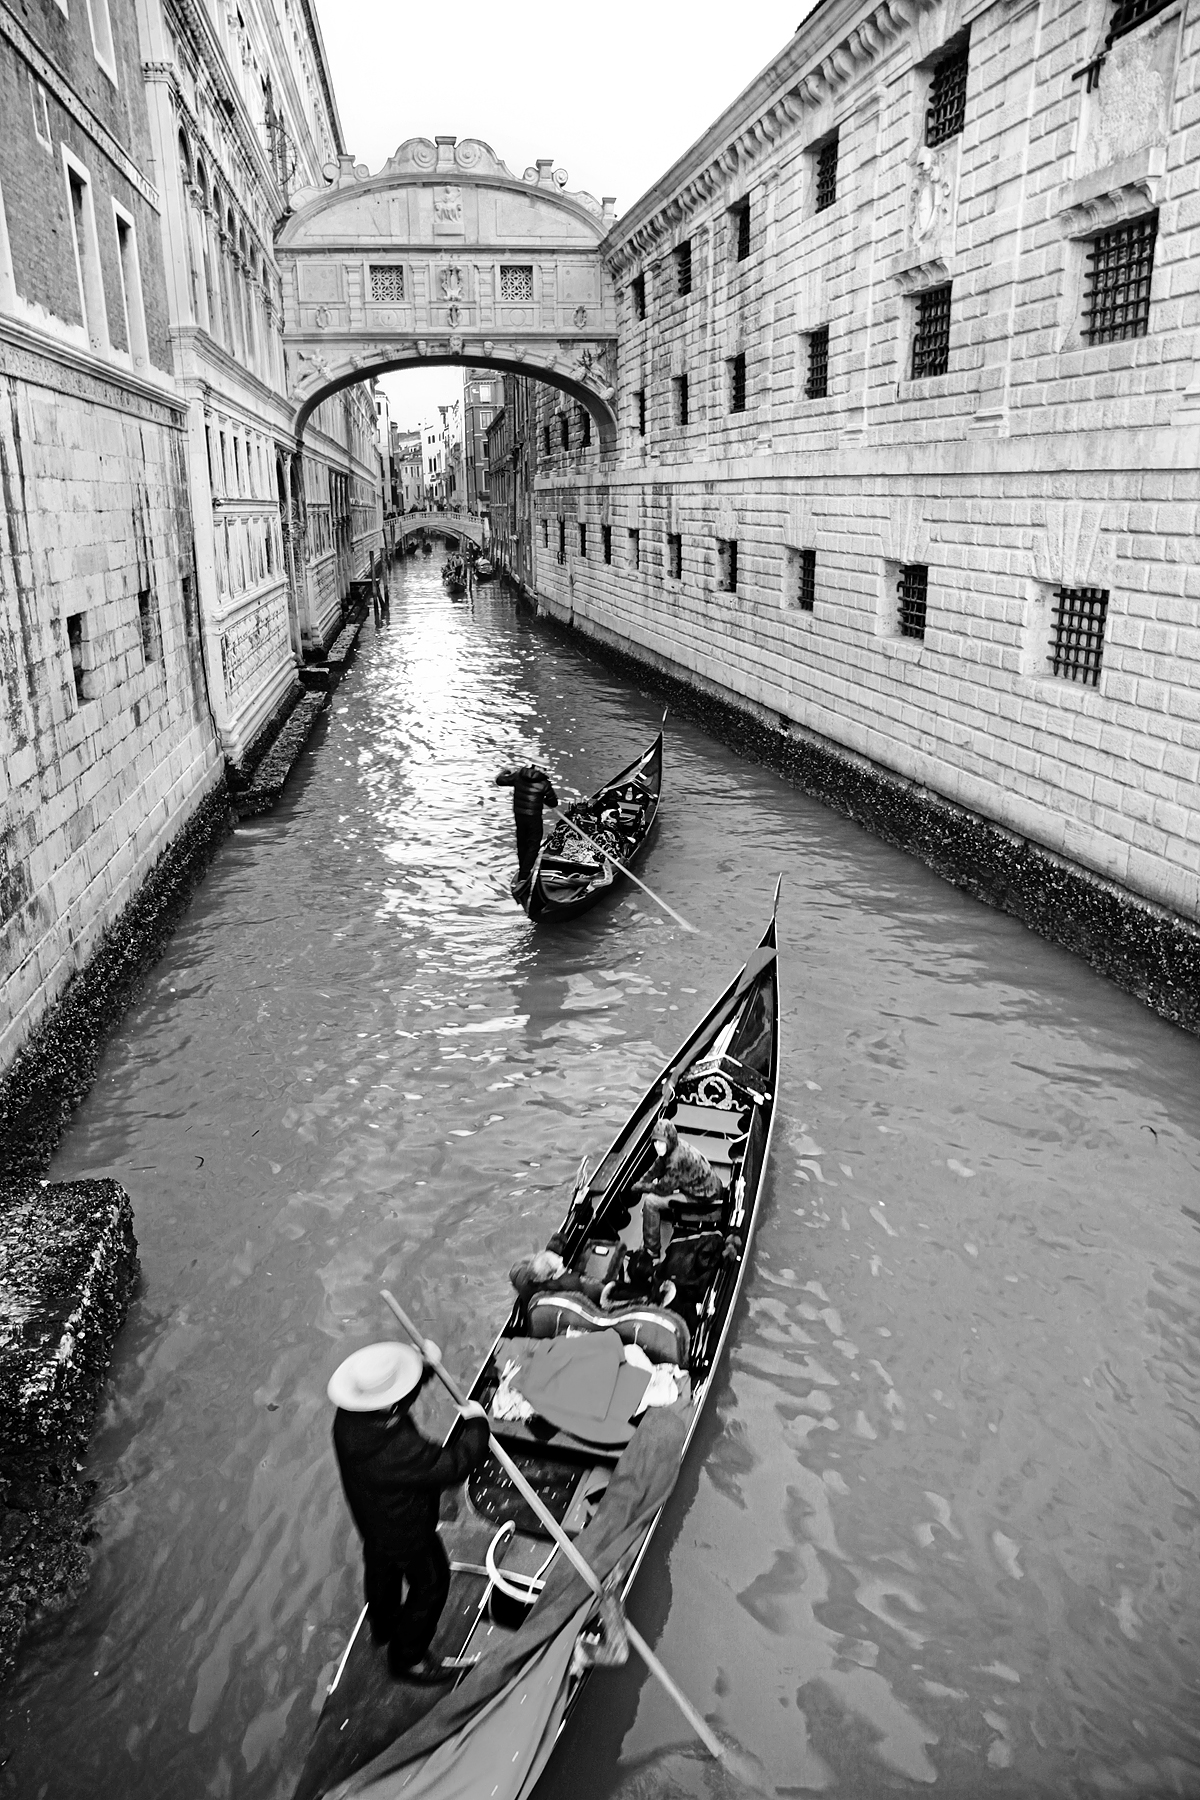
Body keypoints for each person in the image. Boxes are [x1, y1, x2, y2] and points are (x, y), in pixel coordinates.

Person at [328, 1339, 490, 1682]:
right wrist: (478, 1426)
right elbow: (454, 1465)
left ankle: (383, 1627)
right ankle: (408, 1657)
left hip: (372, 1521)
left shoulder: (347, 1421)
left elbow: (393, 1402)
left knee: (381, 1569)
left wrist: (426, 1369)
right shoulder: (397, 1448)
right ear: (389, 1408)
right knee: (431, 1583)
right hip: (407, 1529)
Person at [630, 1118, 724, 1260]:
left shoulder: (675, 1160)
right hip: (707, 1186)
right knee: (655, 1190)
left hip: (702, 1196)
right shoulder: (674, 1147)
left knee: (650, 1202)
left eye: (661, 1143)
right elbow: (657, 1166)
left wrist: (641, 1187)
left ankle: (651, 1250)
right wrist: (642, 1181)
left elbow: (663, 1189)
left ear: (669, 1141)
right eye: (655, 1142)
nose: (658, 1146)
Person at [494, 763, 559, 900]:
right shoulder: (544, 784)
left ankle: (522, 871)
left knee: (522, 842)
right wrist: (543, 797)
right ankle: (524, 875)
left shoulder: (518, 775)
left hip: (519, 815)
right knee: (533, 845)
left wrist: (506, 771)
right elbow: (553, 803)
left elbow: (500, 780)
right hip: (533, 817)